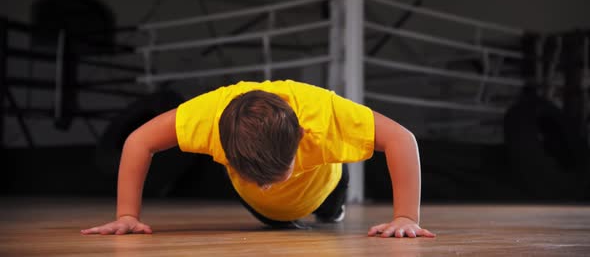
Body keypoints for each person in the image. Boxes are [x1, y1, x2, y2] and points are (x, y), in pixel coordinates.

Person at [81, 80, 435, 238]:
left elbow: (402, 139)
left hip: (323, 185)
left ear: (300, 136)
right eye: (256, 175)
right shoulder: (207, 116)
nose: (266, 182)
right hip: (265, 209)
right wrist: (127, 214)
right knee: (276, 220)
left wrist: (406, 217)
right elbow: (138, 141)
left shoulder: (323, 113)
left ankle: (332, 207)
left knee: (329, 206)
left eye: (274, 173)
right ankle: (274, 212)